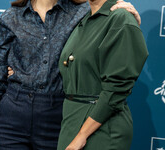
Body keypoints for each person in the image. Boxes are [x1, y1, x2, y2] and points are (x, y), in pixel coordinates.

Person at [0, 0, 142, 150]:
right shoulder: (11, 16)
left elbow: (110, 19)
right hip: (13, 112)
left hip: (58, 113)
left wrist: (128, 13)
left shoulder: (82, 12)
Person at [57, 0, 148, 149]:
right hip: (71, 121)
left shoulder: (121, 18)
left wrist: (82, 135)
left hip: (101, 127)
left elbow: (116, 90)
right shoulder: (86, 17)